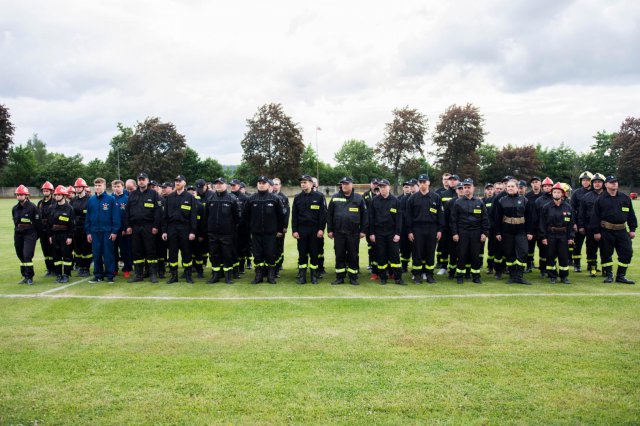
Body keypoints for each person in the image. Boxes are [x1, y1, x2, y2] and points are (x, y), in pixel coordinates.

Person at [589, 176, 637, 284]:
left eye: (615, 182)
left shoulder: (625, 198)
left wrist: (632, 229)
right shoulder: (600, 199)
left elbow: (631, 215)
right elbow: (595, 217)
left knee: (627, 252)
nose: (614, 184)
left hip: (621, 230)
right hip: (606, 230)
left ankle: (621, 276)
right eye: (611, 182)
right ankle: (609, 275)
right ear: (606, 185)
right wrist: (596, 232)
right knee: (606, 253)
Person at [242, 176, 286, 284]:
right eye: (259, 183)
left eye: (264, 183)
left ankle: (271, 276)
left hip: (271, 233)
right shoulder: (251, 199)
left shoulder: (275, 199)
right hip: (256, 233)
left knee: (270, 254)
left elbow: (281, 216)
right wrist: (250, 228)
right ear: (257, 185)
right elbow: (245, 216)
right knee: (257, 255)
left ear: (268, 185)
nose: (261, 184)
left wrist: (280, 230)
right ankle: (259, 276)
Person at [327, 176, 368, 285]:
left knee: (353, 255)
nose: (344, 186)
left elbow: (365, 216)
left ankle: (353, 277)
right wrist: (329, 230)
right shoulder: (335, 197)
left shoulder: (359, 198)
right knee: (339, 254)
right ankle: (340, 277)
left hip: (353, 233)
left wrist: (363, 230)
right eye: (343, 184)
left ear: (352, 185)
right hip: (338, 232)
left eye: (346, 184)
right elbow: (329, 215)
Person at [124, 173, 162, 283]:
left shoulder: (153, 194)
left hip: (149, 227)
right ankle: (138, 274)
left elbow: (158, 212)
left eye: (143, 179)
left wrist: (155, 226)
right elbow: (127, 212)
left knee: (151, 251)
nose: (141, 181)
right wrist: (128, 226)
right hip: (135, 227)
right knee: (137, 251)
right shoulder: (132, 195)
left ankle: (153, 274)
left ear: (147, 181)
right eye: (139, 180)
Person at [405, 174, 443, 284]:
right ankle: (417, 275)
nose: (422, 184)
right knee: (417, 253)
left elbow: (440, 215)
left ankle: (429, 275)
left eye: (424, 182)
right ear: (418, 184)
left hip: (432, 229)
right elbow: (408, 217)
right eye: (420, 182)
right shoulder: (413, 198)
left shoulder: (436, 197)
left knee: (430, 252)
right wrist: (410, 231)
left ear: (428, 183)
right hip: (417, 229)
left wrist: (440, 230)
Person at [494, 179, 534, 285]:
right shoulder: (501, 200)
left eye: (512, 186)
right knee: (509, 254)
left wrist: (529, 232)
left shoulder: (524, 200)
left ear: (517, 188)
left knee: (523, 252)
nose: (510, 188)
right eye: (508, 187)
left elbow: (529, 217)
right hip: (506, 231)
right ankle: (512, 276)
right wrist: (497, 232)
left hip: (521, 231)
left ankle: (519, 276)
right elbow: (497, 218)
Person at [451, 179, 489, 284]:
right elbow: (453, 220)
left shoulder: (479, 202)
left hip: (476, 233)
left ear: (473, 188)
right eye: (465, 187)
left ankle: (476, 276)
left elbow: (485, 219)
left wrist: (484, 233)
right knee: (462, 254)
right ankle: (459, 276)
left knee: (475, 255)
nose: (467, 189)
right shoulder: (458, 202)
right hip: (462, 232)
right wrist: (455, 233)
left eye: (469, 187)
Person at [202, 177, 240, 284]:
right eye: (216, 184)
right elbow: (206, 217)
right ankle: (215, 275)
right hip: (213, 233)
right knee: (214, 255)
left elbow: (237, 218)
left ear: (226, 185)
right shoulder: (210, 199)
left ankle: (228, 276)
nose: (218, 185)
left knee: (227, 255)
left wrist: (231, 229)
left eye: (220, 184)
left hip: (227, 234)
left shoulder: (232, 199)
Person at [291, 174, 327, 284]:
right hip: (302, 230)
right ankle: (302, 277)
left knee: (314, 253)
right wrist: (294, 230)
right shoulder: (297, 197)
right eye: (301, 182)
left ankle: (314, 276)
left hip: (314, 230)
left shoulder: (319, 197)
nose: (302, 184)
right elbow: (294, 216)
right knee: (302, 253)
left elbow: (323, 215)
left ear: (311, 184)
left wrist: (321, 229)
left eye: (305, 182)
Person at [162, 175, 198, 284]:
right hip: (171, 228)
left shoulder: (190, 197)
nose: (177, 183)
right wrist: (164, 231)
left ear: (184, 183)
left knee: (186, 252)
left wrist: (192, 232)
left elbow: (193, 216)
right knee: (172, 253)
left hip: (185, 228)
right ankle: (174, 276)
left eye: (179, 181)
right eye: (176, 181)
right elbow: (165, 216)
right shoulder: (170, 197)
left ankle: (188, 275)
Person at [84, 178, 120, 283]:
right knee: (96, 254)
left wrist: (114, 231)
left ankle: (110, 275)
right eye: (95, 185)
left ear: (104, 186)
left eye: (99, 185)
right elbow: (88, 217)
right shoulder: (91, 200)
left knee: (108, 254)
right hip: (95, 232)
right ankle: (98, 275)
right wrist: (88, 232)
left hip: (107, 232)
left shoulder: (111, 199)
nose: (97, 187)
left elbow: (116, 217)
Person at [368, 179, 403, 284]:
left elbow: (399, 219)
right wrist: (371, 233)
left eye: (384, 186)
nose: (382, 189)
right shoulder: (374, 201)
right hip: (379, 233)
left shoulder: (396, 201)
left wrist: (398, 233)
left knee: (395, 255)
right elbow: (370, 218)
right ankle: (383, 277)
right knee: (381, 255)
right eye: (381, 187)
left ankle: (398, 277)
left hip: (392, 233)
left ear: (389, 187)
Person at [539, 183, 575, 284]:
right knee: (550, 256)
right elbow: (542, 223)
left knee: (563, 257)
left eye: (558, 192)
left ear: (562, 194)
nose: (556, 194)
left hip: (563, 235)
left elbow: (571, 224)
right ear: (552, 193)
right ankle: (552, 276)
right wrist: (543, 237)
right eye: (554, 192)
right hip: (551, 235)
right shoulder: (546, 207)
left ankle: (564, 277)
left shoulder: (568, 207)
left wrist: (571, 237)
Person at [578, 173, 605, 277]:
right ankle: (592, 269)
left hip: (605, 227)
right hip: (590, 227)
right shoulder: (586, 196)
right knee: (591, 249)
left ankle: (605, 269)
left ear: (603, 183)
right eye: (595, 182)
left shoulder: (608, 196)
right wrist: (581, 226)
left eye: (599, 182)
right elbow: (581, 213)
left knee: (605, 249)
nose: (597, 184)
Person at [48, 185, 75, 283]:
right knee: (56, 256)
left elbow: (72, 225)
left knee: (66, 255)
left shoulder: (69, 208)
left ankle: (66, 275)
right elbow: (50, 223)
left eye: (59, 195)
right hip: (55, 235)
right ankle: (58, 274)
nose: (56, 197)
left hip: (65, 235)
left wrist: (70, 237)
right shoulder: (52, 208)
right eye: (55, 195)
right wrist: (50, 235)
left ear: (64, 195)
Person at [13, 185, 38, 285]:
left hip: (30, 234)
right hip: (18, 234)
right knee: (20, 255)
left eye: (21, 194)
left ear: (26, 195)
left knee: (27, 255)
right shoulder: (14, 208)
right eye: (18, 195)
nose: (19, 196)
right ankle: (24, 275)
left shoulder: (33, 207)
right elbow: (15, 222)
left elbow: (38, 223)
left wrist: (36, 235)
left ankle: (30, 276)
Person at [570, 171, 593, 272]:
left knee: (591, 245)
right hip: (579, 222)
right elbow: (572, 209)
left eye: (587, 180)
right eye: (583, 180)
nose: (585, 182)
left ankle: (591, 264)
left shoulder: (595, 192)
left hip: (592, 223)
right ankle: (577, 264)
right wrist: (574, 223)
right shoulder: (576, 193)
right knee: (577, 245)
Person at [533, 177, 555, 278]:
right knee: (543, 251)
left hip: (554, 230)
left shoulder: (557, 198)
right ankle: (543, 269)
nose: (547, 188)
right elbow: (535, 217)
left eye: (549, 186)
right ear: (542, 187)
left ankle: (551, 269)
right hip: (542, 230)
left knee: (553, 251)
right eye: (545, 186)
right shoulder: (538, 201)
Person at [70, 178, 92, 277]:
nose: (77, 189)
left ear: (84, 188)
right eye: (76, 187)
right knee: (78, 250)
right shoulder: (73, 200)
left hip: (86, 228)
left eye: (79, 187)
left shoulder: (90, 200)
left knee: (86, 249)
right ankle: (80, 267)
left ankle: (86, 268)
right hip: (76, 229)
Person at [112, 179, 132, 279]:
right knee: (113, 251)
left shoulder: (127, 198)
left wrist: (125, 228)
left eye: (118, 186)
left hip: (123, 230)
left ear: (122, 187)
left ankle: (127, 269)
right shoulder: (110, 199)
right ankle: (114, 269)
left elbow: (128, 215)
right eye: (115, 187)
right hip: (113, 231)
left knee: (125, 251)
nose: (116, 188)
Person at [230, 179, 251, 273]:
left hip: (243, 228)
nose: (233, 186)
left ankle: (241, 266)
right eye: (231, 185)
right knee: (232, 248)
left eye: (234, 185)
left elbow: (247, 214)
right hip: (231, 228)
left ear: (239, 186)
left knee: (242, 248)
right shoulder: (228, 196)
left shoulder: (245, 198)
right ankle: (234, 266)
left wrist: (241, 223)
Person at [195, 178, 213, 277]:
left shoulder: (211, 195)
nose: (199, 190)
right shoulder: (195, 196)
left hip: (210, 228)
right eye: (198, 188)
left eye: (201, 188)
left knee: (212, 251)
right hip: (199, 228)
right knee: (198, 251)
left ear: (206, 186)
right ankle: (199, 271)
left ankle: (216, 271)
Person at [272, 178, 290, 276]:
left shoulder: (284, 197)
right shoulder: (269, 196)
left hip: (280, 227)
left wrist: (285, 226)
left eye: (276, 184)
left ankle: (279, 265)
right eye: (273, 184)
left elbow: (286, 213)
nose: (274, 186)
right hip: (270, 227)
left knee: (279, 247)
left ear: (280, 185)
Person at [37, 181, 56, 276]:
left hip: (51, 229)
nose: (45, 193)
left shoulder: (54, 202)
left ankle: (55, 269)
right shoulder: (40, 203)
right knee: (45, 250)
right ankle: (49, 269)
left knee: (52, 250)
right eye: (44, 191)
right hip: (42, 230)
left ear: (51, 191)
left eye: (47, 191)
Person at [525, 176, 543, 272]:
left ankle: (542, 266)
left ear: (540, 183)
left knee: (543, 247)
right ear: (531, 184)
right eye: (533, 182)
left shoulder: (544, 196)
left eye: (537, 181)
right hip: (530, 226)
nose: (535, 184)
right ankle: (529, 265)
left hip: (541, 227)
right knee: (529, 248)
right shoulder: (527, 197)